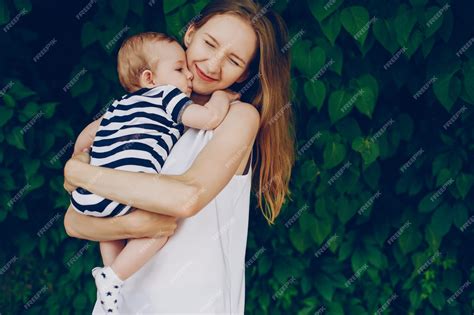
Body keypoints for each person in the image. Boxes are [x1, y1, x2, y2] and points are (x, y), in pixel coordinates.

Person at [63, 0, 295, 313]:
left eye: (234, 61)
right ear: (190, 33)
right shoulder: (138, 114)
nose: (212, 65)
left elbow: (187, 197)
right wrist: (141, 223)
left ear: (243, 76)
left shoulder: (237, 117)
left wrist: (80, 174)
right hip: (119, 304)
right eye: (209, 44)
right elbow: (74, 221)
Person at [70, 31, 239, 313]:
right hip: (128, 192)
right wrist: (222, 97)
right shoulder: (167, 96)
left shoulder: (118, 105)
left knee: (110, 232)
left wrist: (80, 161)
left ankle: (110, 283)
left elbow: (85, 138)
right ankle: (113, 277)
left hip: (91, 194)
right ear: (150, 78)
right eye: (179, 69)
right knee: (158, 230)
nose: (188, 75)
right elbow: (208, 119)